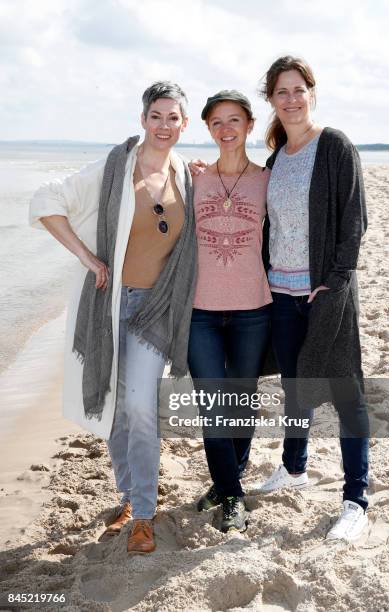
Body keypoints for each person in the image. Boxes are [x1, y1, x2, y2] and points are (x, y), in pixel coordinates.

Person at [29, 81, 197, 554]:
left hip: (155, 309)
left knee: (142, 407)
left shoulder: (186, 175)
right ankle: (129, 497)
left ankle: (143, 515)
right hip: (109, 303)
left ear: (184, 125)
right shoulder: (114, 167)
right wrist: (87, 257)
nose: (164, 126)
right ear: (143, 119)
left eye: (173, 118)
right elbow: (47, 200)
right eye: (156, 116)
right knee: (117, 406)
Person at [252, 56, 370, 542]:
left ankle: (356, 501)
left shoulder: (335, 146)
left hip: (326, 292)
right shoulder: (276, 159)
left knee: (346, 394)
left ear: (312, 93)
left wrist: (335, 283)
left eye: (299, 89)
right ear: (271, 100)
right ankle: (295, 468)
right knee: (296, 388)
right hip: (281, 291)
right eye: (282, 91)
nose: (292, 99)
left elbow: (354, 221)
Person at [187, 91, 272, 533]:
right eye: (217, 122)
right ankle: (233, 495)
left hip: (253, 309)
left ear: (249, 125)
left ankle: (224, 483)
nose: (226, 129)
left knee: (243, 402)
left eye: (234, 120)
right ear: (208, 128)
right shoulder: (193, 179)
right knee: (213, 406)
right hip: (200, 311)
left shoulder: (267, 178)